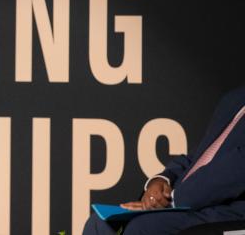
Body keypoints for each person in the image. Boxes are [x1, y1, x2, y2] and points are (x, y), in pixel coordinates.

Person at [83, 85, 245, 234]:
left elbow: (233, 173)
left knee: (143, 227)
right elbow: (199, 156)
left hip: (230, 211)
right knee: (100, 222)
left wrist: (169, 200)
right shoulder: (235, 98)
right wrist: (161, 180)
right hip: (186, 200)